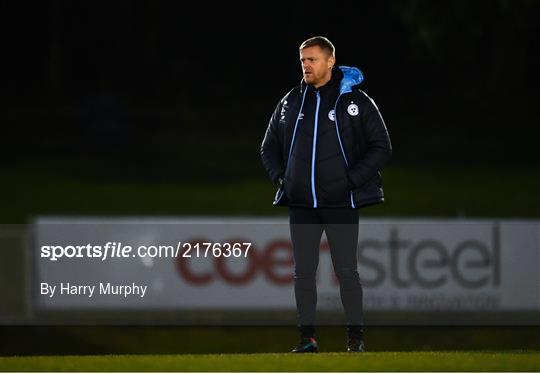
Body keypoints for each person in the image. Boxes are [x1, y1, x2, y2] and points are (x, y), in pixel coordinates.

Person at [260, 36, 392, 353]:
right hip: (301, 204)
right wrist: (283, 179)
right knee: (303, 273)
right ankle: (307, 339)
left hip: (341, 202)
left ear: (330, 61)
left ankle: (355, 340)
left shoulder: (355, 102)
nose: (305, 64)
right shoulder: (290, 101)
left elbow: (382, 147)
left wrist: (351, 181)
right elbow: (268, 148)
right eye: (302, 59)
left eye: (312, 59)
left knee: (347, 272)